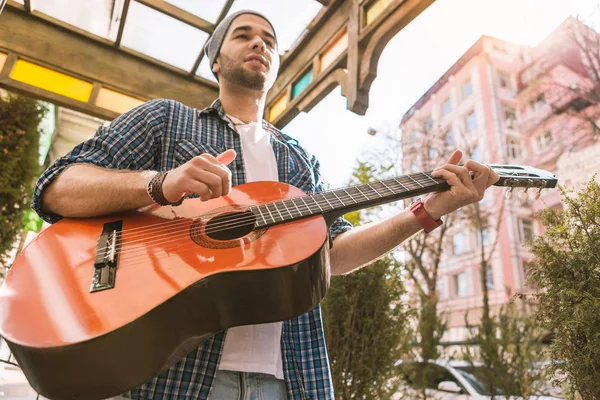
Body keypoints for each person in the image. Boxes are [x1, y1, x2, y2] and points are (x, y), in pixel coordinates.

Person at [31, 10, 499, 400]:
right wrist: (160, 184)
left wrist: (426, 212)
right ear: (216, 60)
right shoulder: (166, 120)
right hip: (174, 374)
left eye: (270, 40)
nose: (260, 43)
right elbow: (57, 187)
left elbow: (332, 255)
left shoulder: (300, 160)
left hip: (286, 376)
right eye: (243, 35)